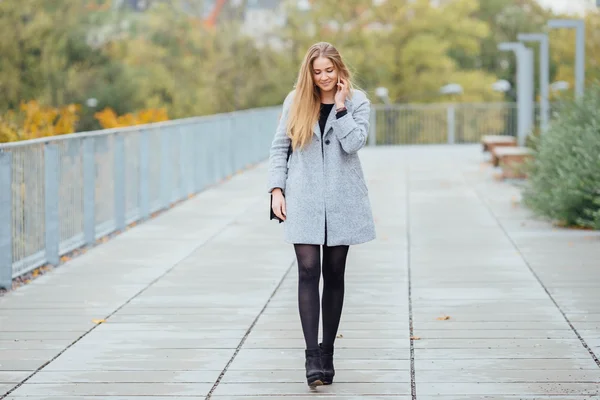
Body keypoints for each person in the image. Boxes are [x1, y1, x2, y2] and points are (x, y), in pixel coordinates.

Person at [267, 42, 376, 387]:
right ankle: (312, 357)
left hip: (343, 200)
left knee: (334, 272)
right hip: (304, 198)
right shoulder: (295, 100)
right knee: (308, 270)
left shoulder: (358, 102)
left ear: (339, 69)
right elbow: (279, 147)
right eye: (317, 71)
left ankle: (327, 351)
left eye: (329, 70)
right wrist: (276, 190)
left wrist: (341, 109)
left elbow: (355, 143)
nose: (324, 77)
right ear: (309, 73)